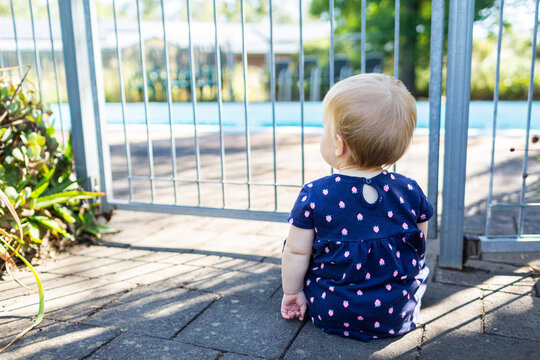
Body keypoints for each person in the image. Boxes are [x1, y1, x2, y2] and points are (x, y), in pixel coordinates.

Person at [280, 73, 433, 342]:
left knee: (295, 245)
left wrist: (293, 292)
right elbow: (418, 245)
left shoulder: (316, 194)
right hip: (398, 312)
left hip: (332, 311)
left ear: (338, 144)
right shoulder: (409, 190)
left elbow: (295, 250)